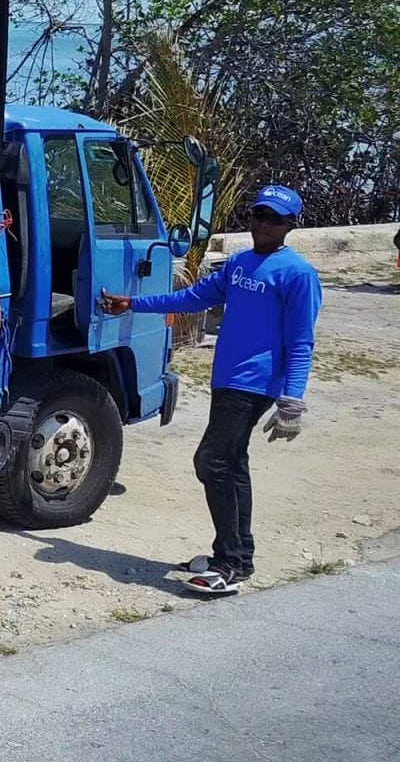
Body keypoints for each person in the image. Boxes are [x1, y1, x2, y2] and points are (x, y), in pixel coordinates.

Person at [100, 184, 323, 596]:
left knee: (213, 461)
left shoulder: (297, 274)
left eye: (274, 218)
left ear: (291, 225)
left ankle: (231, 565)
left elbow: (301, 341)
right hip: (227, 378)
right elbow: (192, 298)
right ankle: (236, 554)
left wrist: (293, 399)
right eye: (258, 214)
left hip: (255, 383)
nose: (263, 224)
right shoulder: (240, 264)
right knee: (231, 462)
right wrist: (132, 304)